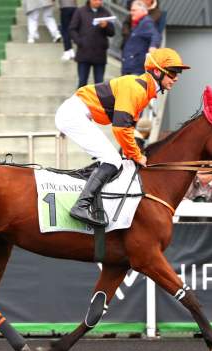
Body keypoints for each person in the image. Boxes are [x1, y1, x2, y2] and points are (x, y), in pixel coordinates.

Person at [55, 48, 189, 226]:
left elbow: (129, 127)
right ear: (157, 71)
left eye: (177, 73)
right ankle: (81, 205)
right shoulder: (136, 88)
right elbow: (120, 128)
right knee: (112, 159)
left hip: (79, 114)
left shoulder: (144, 90)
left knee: (113, 159)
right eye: (172, 73)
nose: (176, 78)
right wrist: (137, 155)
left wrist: (132, 153)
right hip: (73, 115)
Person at [69, 0, 115, 88]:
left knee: (99, 84)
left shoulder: (106, 12)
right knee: (82, 82)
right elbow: (72, 29)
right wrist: (80, 41)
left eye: (100, 0)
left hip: (100, 53)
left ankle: (98, 101)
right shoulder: (80, 11)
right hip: (84, 53)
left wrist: (106, 26)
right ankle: (80, 101)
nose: (98, 2)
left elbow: (112, 32)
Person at [121, 1, 161, 75]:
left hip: (136, 69)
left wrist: (153, 46)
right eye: (131, 10)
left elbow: (155, 35)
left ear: (143, 11)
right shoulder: (138, 23)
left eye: (134, 10)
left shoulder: (147, 22)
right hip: (129, 66)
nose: (131, 13)